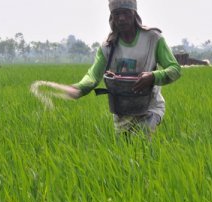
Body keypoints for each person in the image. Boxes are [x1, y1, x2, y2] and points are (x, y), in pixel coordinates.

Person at [64, 0, 181, 136]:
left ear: (134, 13)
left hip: (149, 107)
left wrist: (153, 77)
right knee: (124, 151)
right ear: (111, 16)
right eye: (116, 14)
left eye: (126, 13)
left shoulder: (152, 38)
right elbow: (93, 76)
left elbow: (175, 69)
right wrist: (80, 88)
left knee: (142, 139)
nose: (121, 18)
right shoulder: (108, 46)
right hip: (122, 110)